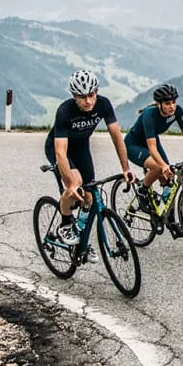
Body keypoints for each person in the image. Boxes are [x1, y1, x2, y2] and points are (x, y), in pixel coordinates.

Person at [45, 70, 134, 247]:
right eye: (82, 97)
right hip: (59, 149)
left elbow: (117, 137)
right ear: (73, 95)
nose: (88, 101)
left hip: (82, 147)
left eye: (91, 95)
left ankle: (81, 237)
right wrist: (70, 184)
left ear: (96, 92)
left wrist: (126, 168)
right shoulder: (65, 111)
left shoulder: (103, 104)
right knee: (76, 182)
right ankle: (65, 224)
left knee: (90, 195)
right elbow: (60, 153)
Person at [124, 83, 183, 232]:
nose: (172, 106)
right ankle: (143, 190)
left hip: (152, 141)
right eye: (167, 103)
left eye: (174, 102)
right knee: (159, 167)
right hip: (134, 145)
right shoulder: (149, 115)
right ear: (158, 104)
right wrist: (163, 165)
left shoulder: (178, 111)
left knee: (169, 181)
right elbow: (152, 148)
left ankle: (170, 220)